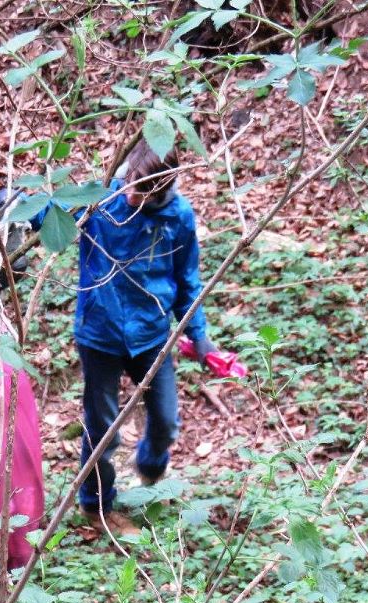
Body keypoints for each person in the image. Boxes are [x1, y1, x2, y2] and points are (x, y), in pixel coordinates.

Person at [29, 139, 218, 537]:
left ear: (163, 189)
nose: (131, 193)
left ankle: (151, 473)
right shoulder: (103, 202)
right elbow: (53, 217)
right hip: (100, 333)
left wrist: (198, 334)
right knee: (102, 427)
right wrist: (20, 206)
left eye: (142, 190)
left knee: (165, 420)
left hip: (151, 335)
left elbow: (187, 280)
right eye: (130, 183)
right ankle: (96, 505)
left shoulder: (178, 217)